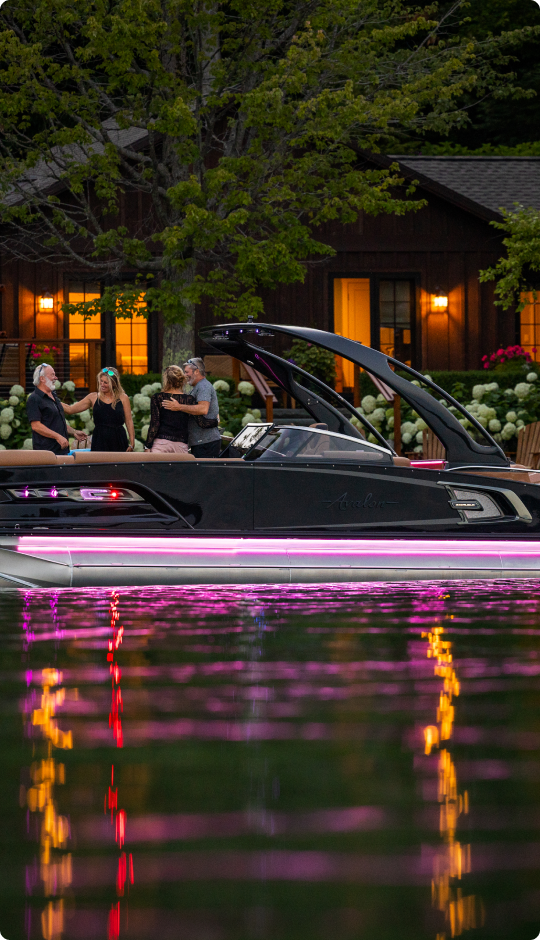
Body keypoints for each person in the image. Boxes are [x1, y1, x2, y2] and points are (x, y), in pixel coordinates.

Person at [62, 366, 135, 452]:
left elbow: (129, 421)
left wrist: (132, 443)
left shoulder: (123, 398)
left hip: (119, 439)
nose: (102, 384)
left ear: (114, 384)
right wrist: (53, 400)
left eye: (106, 383)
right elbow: (70, 409)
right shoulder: (93, 397)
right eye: (101, 381)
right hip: (100, 439)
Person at [162, 357, 221, 457]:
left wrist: (179, 407)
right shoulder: (198, 387)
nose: (185, 375)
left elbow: (203, 409)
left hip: (205, 443)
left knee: (203, 473)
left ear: (197, 371)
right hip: (201, 442)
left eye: (187, 372)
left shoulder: (203, 387)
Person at [27, 363, 86, 454]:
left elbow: (56, 422)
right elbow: (36, 426)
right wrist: (57, 437)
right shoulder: (34, 398)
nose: (56, 378)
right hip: (46, 453)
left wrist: (73, 431)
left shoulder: (53, 396)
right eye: (52, 375)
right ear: (42, 379)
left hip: (61, 451)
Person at [145, 365, 195, 453]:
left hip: (161, 444)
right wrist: (214, 422)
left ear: (166, 380)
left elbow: (155, 423)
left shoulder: (158, 397)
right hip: (181, 444)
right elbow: (196, 422)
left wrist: (147, 446)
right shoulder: (189, 399)